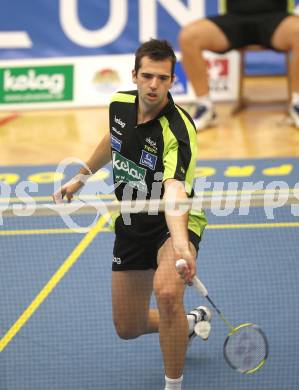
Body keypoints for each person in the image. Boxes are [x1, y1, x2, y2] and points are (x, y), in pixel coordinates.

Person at [53, 39, 211, 390]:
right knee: (128, 326)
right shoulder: (120, 104)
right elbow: (114, 139)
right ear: (135, 75)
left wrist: (182, 245)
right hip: (130, 218)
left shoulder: (179, 130)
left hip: (173, 222)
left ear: (172, 80)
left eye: (163, 78)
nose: (154, 85)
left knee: (167, 293)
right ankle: (184, 323)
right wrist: (80, 179)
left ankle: (173, 385)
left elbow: (174, 191)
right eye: (148, 76)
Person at [178, 0, 299, 130]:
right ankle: (204, 105)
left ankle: (297, 103)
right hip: (234, 18)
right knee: (189, 36)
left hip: (277, 17)